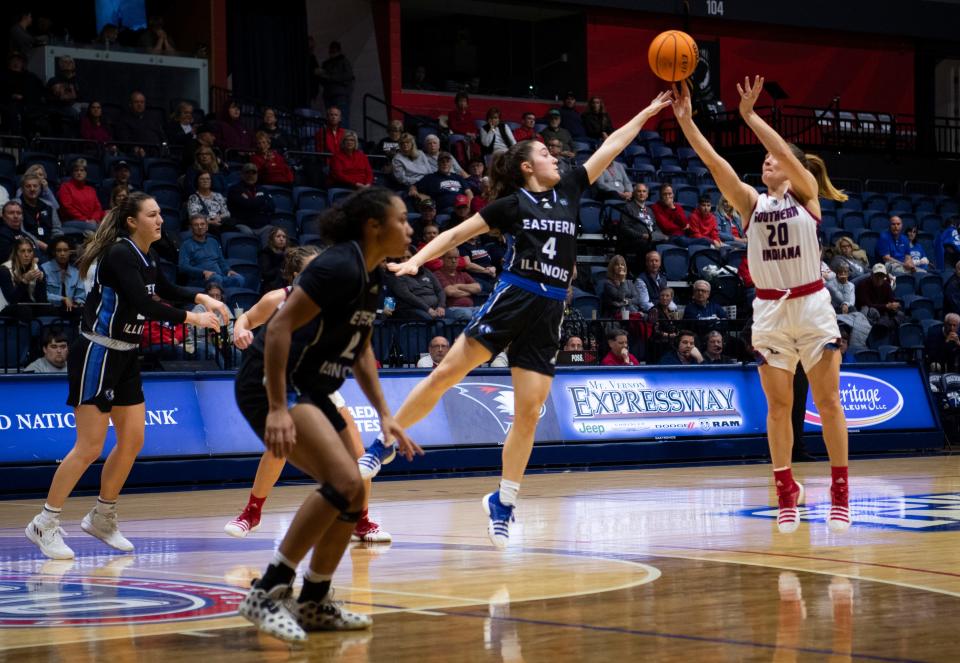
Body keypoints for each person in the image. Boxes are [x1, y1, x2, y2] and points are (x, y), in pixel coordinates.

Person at [357, 91, 674, 549]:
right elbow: (455, 233)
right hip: (514, 297)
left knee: (528, 413)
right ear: (527, 166)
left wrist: (645, 111)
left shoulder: (569, 188)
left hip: (550, 310)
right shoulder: (512, 205)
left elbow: (612, 148)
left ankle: (502, 501)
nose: (555, 156)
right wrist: (414, 261)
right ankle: (383, 444)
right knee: (448, 373)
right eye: (546, 153)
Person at [233, 188, 419, 641]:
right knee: (345, 483)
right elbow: (277, 327)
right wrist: (277, 407)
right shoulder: (336, 265)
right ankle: (266, 591)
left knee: (354, 495)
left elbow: (363, 351)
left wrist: (385, 414)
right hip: (278, 384)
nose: (410, 228)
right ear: (374, 226)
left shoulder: (372, 275)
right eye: (402, 219)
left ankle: (314, 600)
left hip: (313, 386)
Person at [670, 75, 850, 533]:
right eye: (765, 159)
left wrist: (750, 117)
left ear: (789, 169)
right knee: (777, 407)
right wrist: (688, 123)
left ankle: (839, 489)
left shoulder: (807, 196)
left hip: (811, 305)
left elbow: (786, 153)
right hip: (770, 311)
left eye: (774, 159)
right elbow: (715, 165)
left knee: (828, 403)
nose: (767, 162)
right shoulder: (751, 204)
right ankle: (785, 488)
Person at [24, 192, 227, 560]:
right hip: (98, 353)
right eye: (152, 214)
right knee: (89, 447)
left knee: (132, 440)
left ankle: (103, 515)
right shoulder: (119, 253)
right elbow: (145, 304)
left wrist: (203, 297)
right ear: (132, 221)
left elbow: (163, 289)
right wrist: (193, 318)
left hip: (126, 355)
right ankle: (44, 522)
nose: (160, 219)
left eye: (161, 212)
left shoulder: (144, 255)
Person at [178, 215, 245, 289]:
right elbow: (183, 267)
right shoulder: (186, 245)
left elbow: (221, 261)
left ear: (207, 227)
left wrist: (228, 270)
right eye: (196, 225)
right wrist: (203, 272)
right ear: (191, 228)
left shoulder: (213, 241)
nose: (200, 227)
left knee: (239, 279)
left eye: (202, 224)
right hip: (200, 279)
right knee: (216, 279)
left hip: (220, 277)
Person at [384, 247, 446, 322]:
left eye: (408, 257)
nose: (406, 260)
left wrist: (441, 306)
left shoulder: (426, 271)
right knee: (431, 319)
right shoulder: (397, 275)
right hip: (413, 309)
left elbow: (440, 290)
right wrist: (428, 309)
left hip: (436, 308)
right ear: (398, 260)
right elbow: (408, 296)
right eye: (402, 258)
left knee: (458, 316)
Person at [227, 164, 275, 238]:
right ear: (242, 175)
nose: (251, 175)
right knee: (248, 235)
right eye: (247, 173)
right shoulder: (235, 189)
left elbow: (272, 206)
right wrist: (262, 201)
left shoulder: (263, 189)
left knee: (273, 232)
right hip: (244, 224)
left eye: (253, 173)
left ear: (257, 175)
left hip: (263, 226)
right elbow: (246, 205)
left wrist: (252, 203)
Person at [0, 238, 46, 314]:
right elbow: (12, 300)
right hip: (7, 307)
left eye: (29, 251)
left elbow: (42, 301)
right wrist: (24, 281)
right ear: (16, 253)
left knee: (50, 309)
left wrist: (41, 282)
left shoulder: (38, 268)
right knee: (25, 310)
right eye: (22, 251)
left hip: (29, 306)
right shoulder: (4, 270)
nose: (26, 255)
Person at [433, 248, 480, 322]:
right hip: (451, 309)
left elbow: (478, 288)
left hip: (471, 308)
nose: (454, 261)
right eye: (450, 258)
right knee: (467, 314)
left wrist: (458, 286)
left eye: (456, 258)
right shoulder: (438, 274)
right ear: (442, 259)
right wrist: (470, 291)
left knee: (487, 312)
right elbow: (450, 292)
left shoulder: (463, 274)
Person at [114, 91, 166, 156]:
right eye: (136, 102)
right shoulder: (123, 120)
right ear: (130, 104)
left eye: (142, 102)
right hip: (138, 155)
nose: (139, 104)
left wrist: (164, 147)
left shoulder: (152, 119)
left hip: (158, 153)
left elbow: (162, 136)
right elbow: (125, 141)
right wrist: (135, 149)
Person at [42, 236, 85, 312]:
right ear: (54, 252)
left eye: (65, 250)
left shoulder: (76, 273)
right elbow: (42, 295)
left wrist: (78, 303)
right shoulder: (44, 269)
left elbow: (80, 295)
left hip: (70, 311)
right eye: (59, 250)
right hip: (50, 309)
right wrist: (63, 299)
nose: (62, 254)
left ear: (70, 252)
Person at [18, 173, 59, 250]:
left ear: (40, 188)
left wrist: (56, 245)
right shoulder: (17, 206)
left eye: (35, 186)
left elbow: (57, 229)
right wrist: (41, 245)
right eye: (28, 186)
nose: (32, 189)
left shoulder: (49, 205)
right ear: (22, 189)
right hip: (28, 246)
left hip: (50, 246)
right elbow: (20, 231)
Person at [319, 41, 355, 125]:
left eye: (334, 51)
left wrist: (328, 76)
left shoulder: (343, 62)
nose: (332, 53)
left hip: (339, 95)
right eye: (331, 51)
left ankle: (342, 137)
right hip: (332, 94)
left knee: (341, 119)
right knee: (334, 120)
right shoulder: (328, 63)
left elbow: (347, 77)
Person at [58, 159, 104, 224]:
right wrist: (85, 220)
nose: (79, 173)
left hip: (91, 222)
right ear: (72, 173)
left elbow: (97, 208)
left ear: (86, 173)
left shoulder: (91, 190)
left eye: (82, 170)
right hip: (72, 222)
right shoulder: (65, 187)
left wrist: (94, 219)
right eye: (76, 170)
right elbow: (67, 208)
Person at [447, 91, 481, 165]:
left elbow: (473, 126)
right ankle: (463, 165)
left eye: (464, 101)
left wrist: (474, 134)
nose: (462, 103)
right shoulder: (452, 114)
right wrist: (466, 133)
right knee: (459, 146)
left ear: (467, 103)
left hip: (470, 137)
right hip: (459, 136)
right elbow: (453, 127)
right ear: (456, 103)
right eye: (460, 101)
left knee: (477, 147)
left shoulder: (469, 114)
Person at [258, 227, 288, 293]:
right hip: (270, 288)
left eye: (284, 237)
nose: (281, 239)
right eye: (278, 236)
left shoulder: (288, 254)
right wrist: (280, 270)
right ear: (272, 239)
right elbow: (266, 274)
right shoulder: (266, 253)